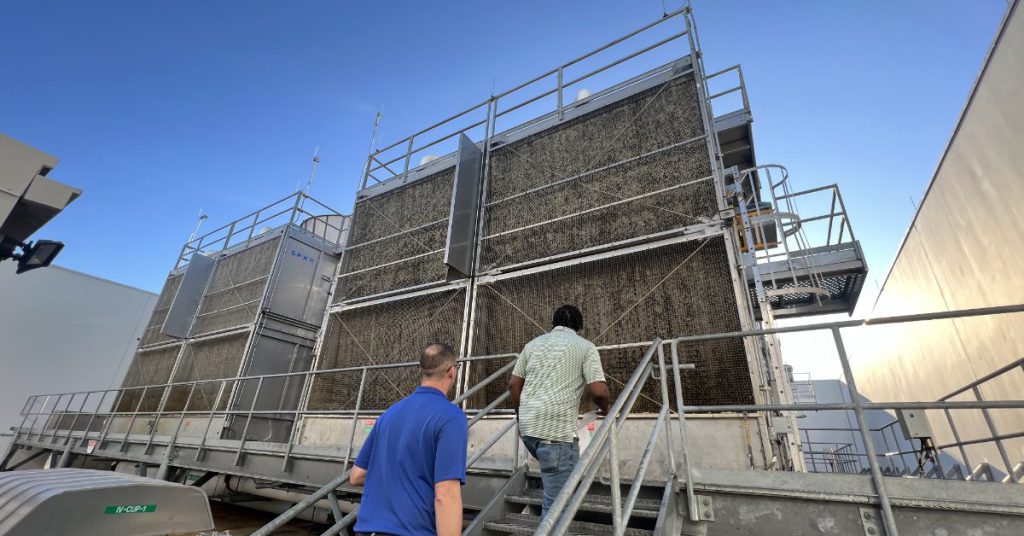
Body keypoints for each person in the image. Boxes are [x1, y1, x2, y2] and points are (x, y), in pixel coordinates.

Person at [350, 342, 467, 536]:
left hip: (368, 530)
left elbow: (357, 475)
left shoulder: (389, 414)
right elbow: (446, 495)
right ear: (452, 371)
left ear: (422, 371)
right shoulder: (451, 417)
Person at [508, 304, 610, 517]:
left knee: (553, 491)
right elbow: (599, 391)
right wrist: (606, 409)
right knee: (557, 508)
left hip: (529, 431)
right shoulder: (585, 347)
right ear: (579, 327)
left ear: (552, 324)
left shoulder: (533, 345)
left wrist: (520, 416)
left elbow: (513, 385)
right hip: (555, 436)